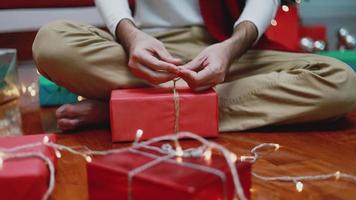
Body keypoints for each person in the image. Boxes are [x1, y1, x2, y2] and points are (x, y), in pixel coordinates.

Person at [32, 0, 356, 131]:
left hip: (227, 47)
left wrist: (228, 50)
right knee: (51, 42)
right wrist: (132, 38)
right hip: (150, 48)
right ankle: (176, 108)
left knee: (341, 81)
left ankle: (128, 112)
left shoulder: (229, 49)